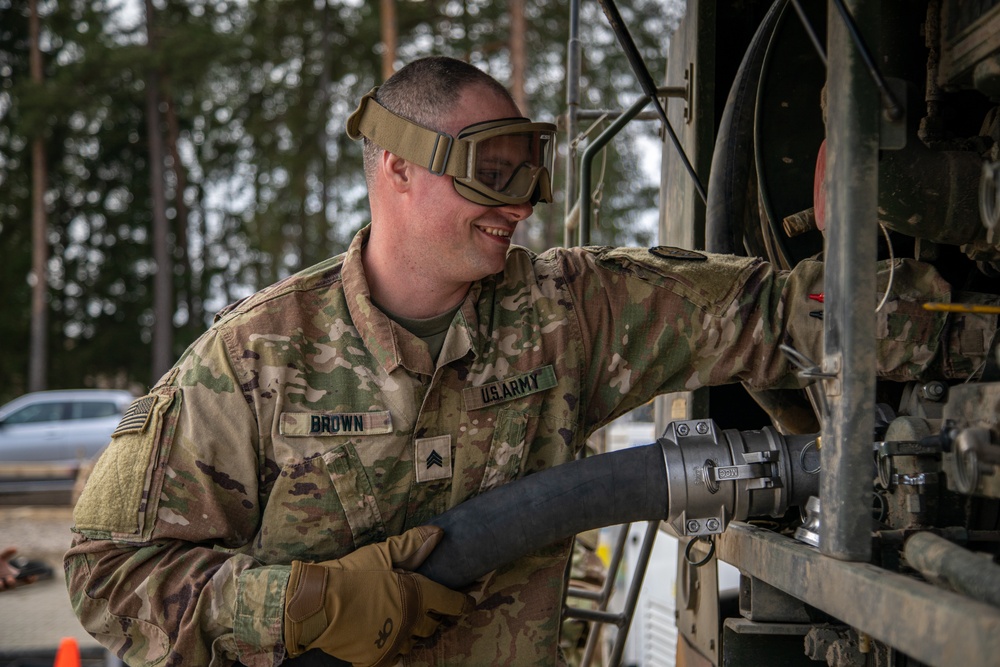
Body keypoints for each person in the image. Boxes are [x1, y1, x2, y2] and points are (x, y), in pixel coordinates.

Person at [65, 56, 996, 667]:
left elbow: (784, 316)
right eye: (491, 174)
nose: (522, 206)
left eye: (530, 173)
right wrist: (306, 602)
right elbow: (106, 574)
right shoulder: (258, 356)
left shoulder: (564, 310)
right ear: (395, 167)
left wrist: (947, 313)